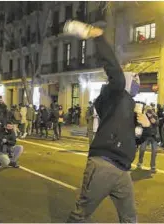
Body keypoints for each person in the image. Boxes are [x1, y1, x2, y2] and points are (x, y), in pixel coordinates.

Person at [64, 20, 150, 223]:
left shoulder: (128, 104)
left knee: (130, 218)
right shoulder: (115, 95)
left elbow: (137, 138)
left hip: (123, 170)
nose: (138, 85)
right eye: (136, 82)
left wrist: (146, 127)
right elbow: (117, 75)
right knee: (81, 215)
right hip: (104, 164)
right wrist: (98, 37)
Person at [137, 106, 159, 173]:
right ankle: (140, 162)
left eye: (151, 110)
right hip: (145, 136)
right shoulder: (143, 116)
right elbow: (139, 125)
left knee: (154, 151)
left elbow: (157, 123)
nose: (149, 111)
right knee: (142, 149)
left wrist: (151, 117)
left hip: (153, 136)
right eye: (148, 110)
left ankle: (153, 166)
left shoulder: (154, 116)